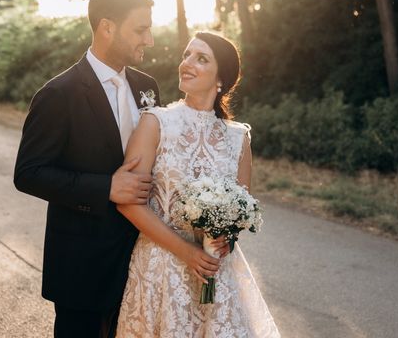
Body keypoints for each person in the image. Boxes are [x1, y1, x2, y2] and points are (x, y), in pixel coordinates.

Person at [14, 0, 162, 338]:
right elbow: (29, 173)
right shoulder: (57, 95)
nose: (149, 40)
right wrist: (105, 187)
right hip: (83, 265)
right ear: (107, 28)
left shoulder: (148, 87)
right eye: (140, 30)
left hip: (143, 260)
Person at [116, 31, 281, 337]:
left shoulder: (238, 138)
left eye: (201, 58)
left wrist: (222, 241)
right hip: (160, 270)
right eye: (187, 55)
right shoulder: (154, 122)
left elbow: (240, 212)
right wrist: (187, 252)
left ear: (221, 79)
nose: (187, 63)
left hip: (214, 272)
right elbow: (128, 202)